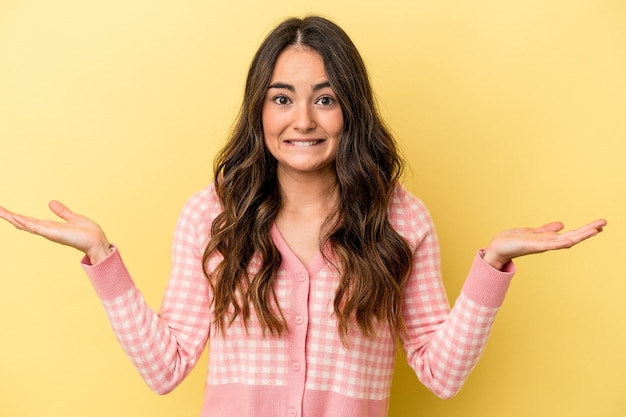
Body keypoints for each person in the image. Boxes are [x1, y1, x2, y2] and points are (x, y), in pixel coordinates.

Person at [0, 16, 606, 417]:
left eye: (325, 99)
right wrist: (102, 257)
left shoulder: (400, 217)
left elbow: (440, 374)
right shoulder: (212, 214)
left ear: (351, 110)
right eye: (282, 99)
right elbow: (166, 368)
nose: (304, 121)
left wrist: (492, 265)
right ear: (259, 110)